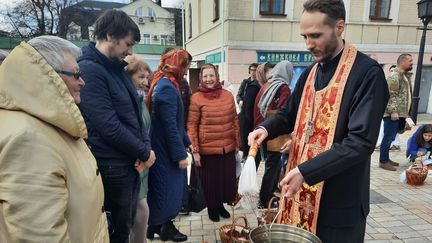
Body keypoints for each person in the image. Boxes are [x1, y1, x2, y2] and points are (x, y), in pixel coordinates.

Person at [248, 0, 389, 242]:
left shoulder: (367, 73)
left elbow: (360, 142)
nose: (308, 45)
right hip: (301, 195)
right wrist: (264, 128)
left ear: (340, 27)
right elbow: (288, 113)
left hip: (339, 202)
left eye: (315, 35)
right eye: (304, 36)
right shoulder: (311, 71)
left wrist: (305, 171)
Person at [0, 36, 108, 242]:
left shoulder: (48, 124)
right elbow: (38, 234)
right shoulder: (29, 138)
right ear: (47, 76)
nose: (82, 81)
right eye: (76, 74)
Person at [78, 10, 156, 243]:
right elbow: (108, 126)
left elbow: (136, 116)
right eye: (128, 43)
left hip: (128, 163)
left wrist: (146, 149)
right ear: (111, 36)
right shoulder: (91, 70)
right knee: (117, 233)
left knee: (126, 226)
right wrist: (144, 152)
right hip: (112, 167)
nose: (130, 51)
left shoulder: (115, 68)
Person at [146, 48, 191, 242]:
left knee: (165, 190)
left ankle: (155, 225)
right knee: (167, 191)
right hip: (166, 150)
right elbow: (170, 126)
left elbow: (175, 123)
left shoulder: (165, 83)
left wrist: (186, 142)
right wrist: (179, 155)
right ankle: (165, 227)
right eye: (185, 66)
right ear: (177, 64)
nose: (187, 71)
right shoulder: (166, 87)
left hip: (165, 146)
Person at [187, 64, 240, 222]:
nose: (209, 79)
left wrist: (237, 143)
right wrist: (195, 150)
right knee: (210, 182)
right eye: (205, 76)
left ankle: (220, 205)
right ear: (201, 78)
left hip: (227, 147)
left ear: (217, 76)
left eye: (212, 75)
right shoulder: (196, 98)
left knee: (224, 180)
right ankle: (212, 207)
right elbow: (191, 126)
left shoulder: (228, 95)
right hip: (207, 149)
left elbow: (234, 120)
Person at [254, 61, 293, 208]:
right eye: (291, 71)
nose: (293, 74)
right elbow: (285, 113)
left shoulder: (266, 85)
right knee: (273, 167)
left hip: (263, 129)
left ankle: (264, 197)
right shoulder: (283, 88)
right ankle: (265, 199)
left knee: (270, 166)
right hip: (276, 134)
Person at [125, 54, 154, 243]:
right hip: (134, 164)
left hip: (143, 165)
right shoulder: (127, 101)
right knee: (141, 212)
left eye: (147, 78)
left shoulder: (140, 99)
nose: (146, 82)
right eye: (141, 77)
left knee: (140, 213)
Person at [379, 53, 414, 171]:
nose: (412, 63)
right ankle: (383, 161)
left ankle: (386, 158)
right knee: (388, 137)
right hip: (392, 114)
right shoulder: (395, 77)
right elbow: (391, 95)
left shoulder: (403, 76)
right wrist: (393, 111)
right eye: (410, 61)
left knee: (391, 136)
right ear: (402, 62)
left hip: (400, 113)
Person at [376, 64, 400, 151]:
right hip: (386, 111)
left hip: (396, 112)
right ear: (389, 72)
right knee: (384, 129)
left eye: (395, 71)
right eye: (392, 71)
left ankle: (395, 144)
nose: (393, 73)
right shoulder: (387, 82)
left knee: (394, 130)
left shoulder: (398, 82)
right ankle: (380, 144)